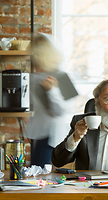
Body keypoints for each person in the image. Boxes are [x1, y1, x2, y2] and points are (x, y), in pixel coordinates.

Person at [26, 33, 66, 168]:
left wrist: (51, 90)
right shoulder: (35, 77)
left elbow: (62, 111)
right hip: (39, 135)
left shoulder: (62, 77)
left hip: (52, 137)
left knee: (38, 178)